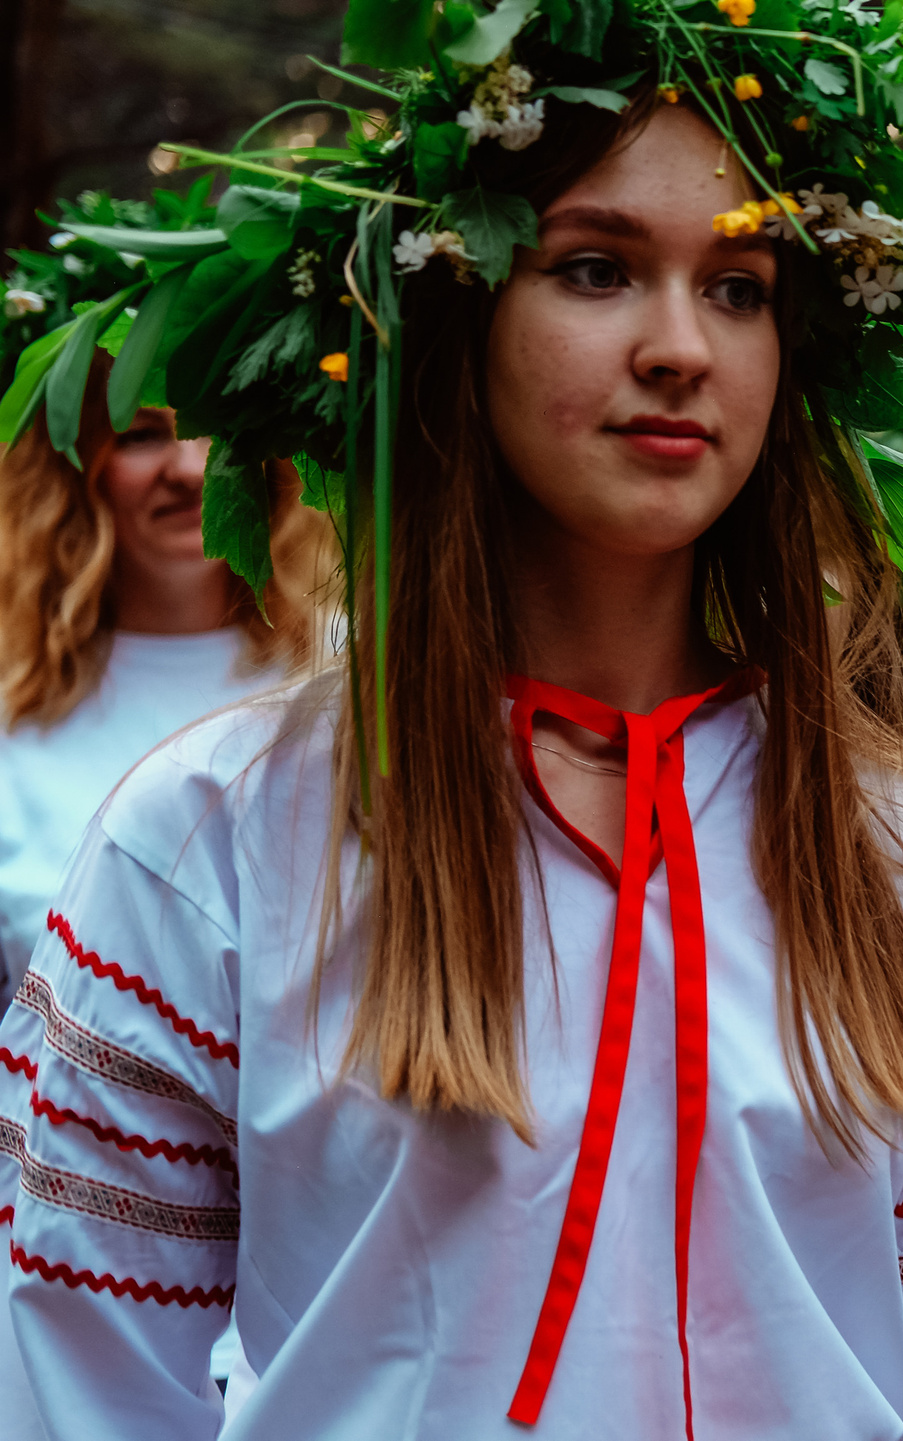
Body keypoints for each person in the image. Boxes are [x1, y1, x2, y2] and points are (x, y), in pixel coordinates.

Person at [0, 7, 903, 1433]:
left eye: (741, 286)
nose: (678, 348)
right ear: (454, 308)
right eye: (597, 268)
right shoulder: (210, 838)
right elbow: (80, 1384)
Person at [0, 202, 331, 1435]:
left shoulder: (359, 692)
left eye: (211, 431)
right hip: (64, 1275)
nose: (184, 469)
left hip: (315, 1278)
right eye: (141, 435)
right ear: (74, 464)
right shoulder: (14, 725)